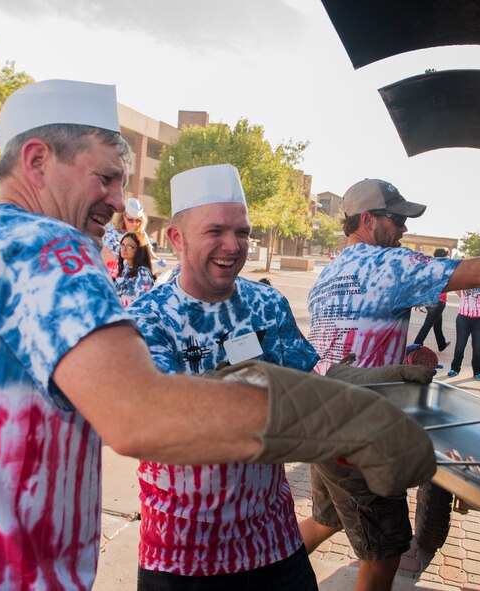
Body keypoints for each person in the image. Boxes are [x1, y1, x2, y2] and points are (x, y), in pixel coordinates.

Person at [0, 81, 436, 590]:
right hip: (172, 557)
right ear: (38, 160)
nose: (119, 201)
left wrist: (375, 383)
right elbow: (142, 416)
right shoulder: (47, 247)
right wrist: (354, 422)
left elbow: (307, 372)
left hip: (264, 542)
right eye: (105, 177)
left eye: (241, 232)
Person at [303, 178, 480, 591]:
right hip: (357, 433)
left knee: (325, 519)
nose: (403, 229)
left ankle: (270, 576)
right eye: (396, 218)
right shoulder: (388, 264)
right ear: (367, 220)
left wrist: (394, 353)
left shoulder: (329, 271)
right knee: (385, 553)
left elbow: (340, 337)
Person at [127, 164, 320, 590]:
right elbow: (165, 426)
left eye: (243, 232)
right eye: (215, 231)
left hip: (274, 541)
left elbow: (312, 390)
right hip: (181, 554)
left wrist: (366, 394)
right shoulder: (147, 319)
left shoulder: (266, 302)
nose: (233, 246)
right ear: (176, 238)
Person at [102, 196, 166, 276]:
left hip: (136, 276)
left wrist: (159, 261)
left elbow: (151, 255)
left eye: (138, 220)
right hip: (117, 276)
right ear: (123, 216)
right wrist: (123, 257)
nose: (135, 224)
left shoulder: (141, 234)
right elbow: (103, 256)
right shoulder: (113, 232)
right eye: (130, 220)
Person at [447, 287, 480, 381]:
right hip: (463, 318)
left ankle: (478, 371)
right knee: (460, 345)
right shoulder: (465, 280)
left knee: (478, 347)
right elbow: (458, 293)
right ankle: (455, 368)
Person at [412, 247, 451, 351]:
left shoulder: (429, 266)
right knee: (427, 325)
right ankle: (415, 346)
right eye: (447, 255)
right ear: (444, 256)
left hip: (429, 300)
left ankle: (441, 344)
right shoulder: (446, 266)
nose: (449, 257)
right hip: (439, 301)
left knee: (437, 323)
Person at [115, 231, 155, 306]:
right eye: (123, 245)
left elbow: (143, 303)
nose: (124, 249)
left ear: (140, 250)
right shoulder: (126, 267)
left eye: (130, 246)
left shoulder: (142, 272)